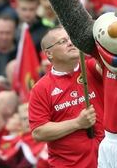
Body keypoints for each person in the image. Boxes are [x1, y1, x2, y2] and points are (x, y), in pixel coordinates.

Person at [28, 27, 104, 168]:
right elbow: (38, 132)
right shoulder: (41, 88)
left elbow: (108, 66)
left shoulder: (91, 68)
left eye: (71, 39)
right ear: (49, 54)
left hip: (108, 161)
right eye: (62, 41)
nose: (70, 43)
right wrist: (77, 123)